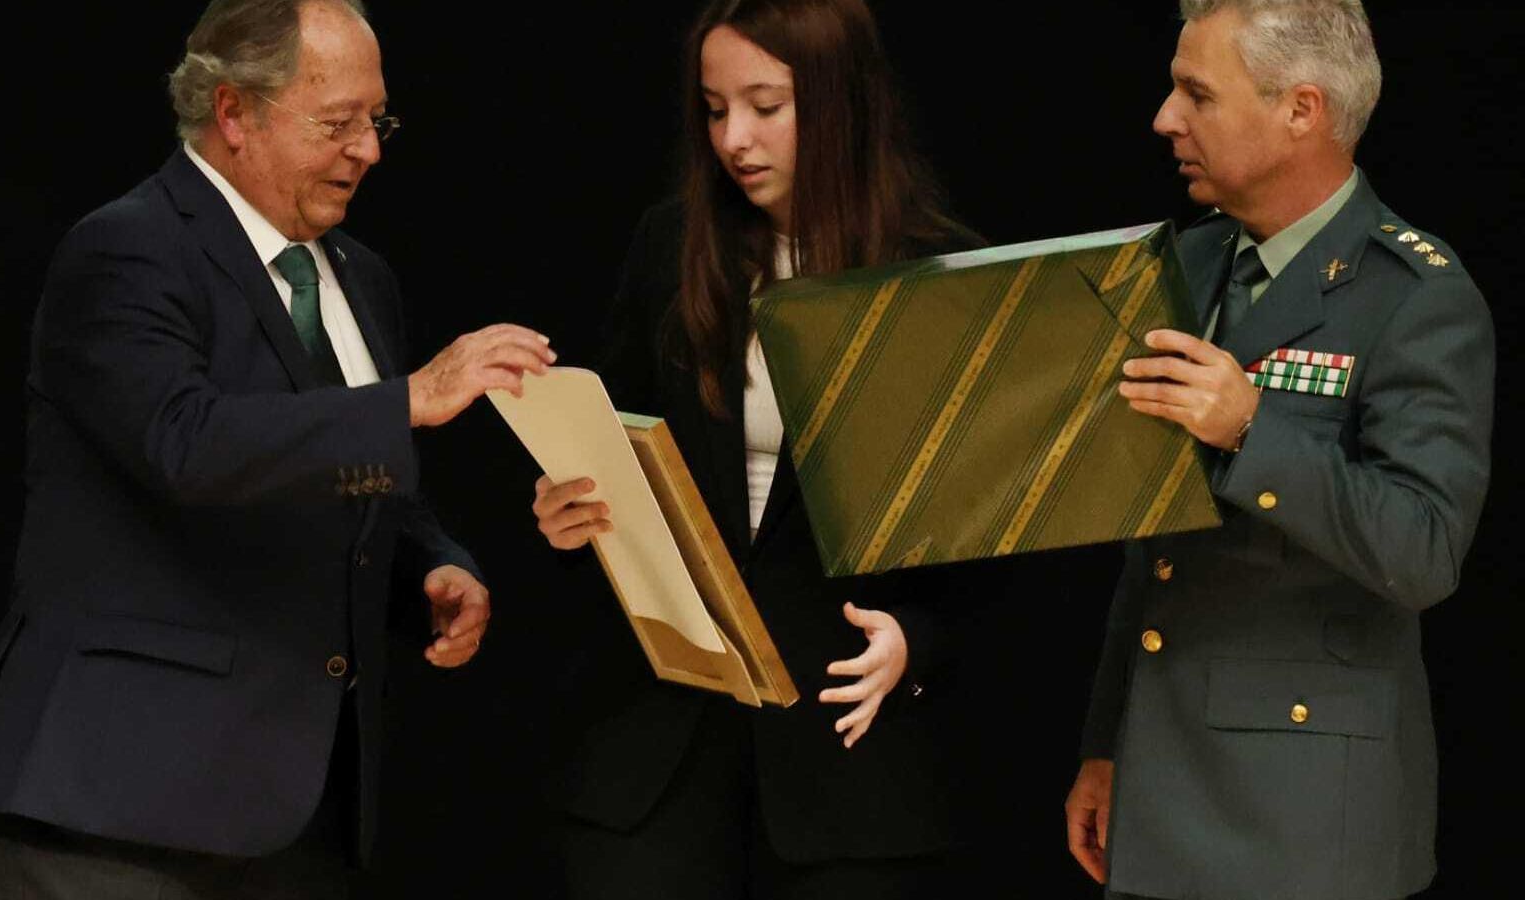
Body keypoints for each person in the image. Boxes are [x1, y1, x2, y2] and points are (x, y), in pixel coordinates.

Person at [0, 1, 555, 897]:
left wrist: (427, 565)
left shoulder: (361, 277)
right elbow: (187, 445)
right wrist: (413, 398)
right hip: (121, 814)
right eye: (338, 123)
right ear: (234, 113)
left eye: (377, 119)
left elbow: (340, 471)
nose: (370, 150)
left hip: (296, 817)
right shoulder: (127, 250)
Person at [527, 0, 1066, 896]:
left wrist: (917, 641)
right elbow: (612, 447)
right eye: (713, 108)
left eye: (765, 106)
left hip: (848, 763)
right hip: (661, 746)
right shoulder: (672, 246)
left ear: (840, 101)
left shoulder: (943, 271)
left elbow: (1008, 544)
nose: (734, 138)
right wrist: (565, 513)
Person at [1063, 2, 1494, 898]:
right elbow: (1153, 542)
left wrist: (1256, 430)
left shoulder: (1416, 295)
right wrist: (1108, 742)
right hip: (1161, 775)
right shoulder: (1187, 264)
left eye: (1196, 93)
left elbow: (1424, 551)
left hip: (1305, 819)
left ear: (1301, 110)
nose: (1164, 119)